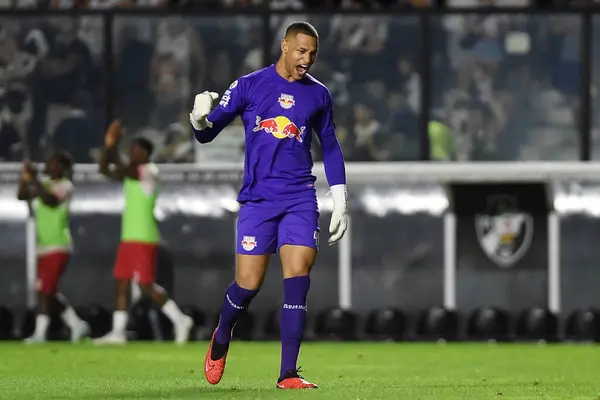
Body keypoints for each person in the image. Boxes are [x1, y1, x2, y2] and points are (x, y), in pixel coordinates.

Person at [190, 21, 348, 389]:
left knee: (298, 279)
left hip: (299, 198)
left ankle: (288, 374)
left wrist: (340, 198)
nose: (306, 59)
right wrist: (197, 118)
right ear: (284, 46)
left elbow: (331, 145)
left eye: (312, 53)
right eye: (301, 51)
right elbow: (208, 132)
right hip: (258, 201)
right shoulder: (249, 85)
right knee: (248, 285)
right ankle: (223, 333)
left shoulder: (318, 95)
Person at [94, 120, 193, 345]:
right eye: (130, 150)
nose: (131, 153)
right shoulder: (133, 173)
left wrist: (113, 146)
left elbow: (120, 169)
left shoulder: (148, 171)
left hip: (144, 237)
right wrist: (109, 146)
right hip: (129, 237)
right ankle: (118, 332)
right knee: (122, 282)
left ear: (146, 153)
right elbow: (105, 169)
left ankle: (180, 320)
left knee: (145, 285)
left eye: (135, 150)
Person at [17, 151, 90, 344]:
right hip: (43, 245)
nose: (47, 165)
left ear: (62, 168)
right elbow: (21, 196)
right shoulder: (44, 184)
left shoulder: (65, 186)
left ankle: (40, 333)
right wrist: (26, 178)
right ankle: (76, 324)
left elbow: (50, 201)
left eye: (52, 163)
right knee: (48, 290)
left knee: (44, 290)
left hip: (58, 245)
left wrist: (34, 178)